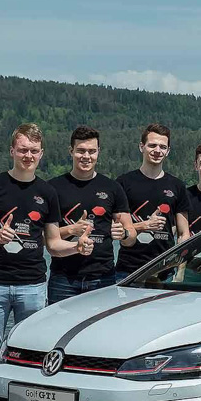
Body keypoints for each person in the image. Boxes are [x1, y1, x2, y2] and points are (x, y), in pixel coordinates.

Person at [0, 123, 93, 401]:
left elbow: (53, 244)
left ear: (41, 154)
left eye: (34, 151)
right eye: (23, 149)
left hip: (33, 286)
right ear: (12, 150)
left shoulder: (47, 192)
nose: (28, 155)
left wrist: (77, 247)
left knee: (32, 357)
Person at [47, 125, 136, 304]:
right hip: (63, 279)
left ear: (98, 152)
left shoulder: (112, 188)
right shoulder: (53, 188)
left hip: (103, 277)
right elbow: (46, 239)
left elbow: (131, 236)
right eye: (81, 151)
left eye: (92, 151)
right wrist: (72, 229)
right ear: (71, 151)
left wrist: (124, 234)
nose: (86, 156)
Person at [115, 123, 191, 280]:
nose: (157, 150)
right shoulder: (123, 183)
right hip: (128, 271)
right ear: (141, 147)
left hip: (165, 272)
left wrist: (180, 272)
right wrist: (144, 225)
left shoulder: (177, 186)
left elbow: (184, 234)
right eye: (152, 145)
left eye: (163, 147)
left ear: (168, 151)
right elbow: (117, 230)